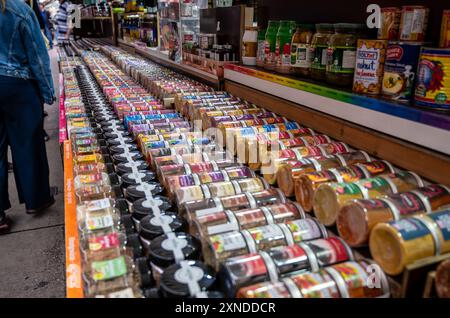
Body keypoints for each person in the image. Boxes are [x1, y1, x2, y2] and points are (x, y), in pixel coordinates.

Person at [0, 0, 56, 232]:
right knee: (28, 143)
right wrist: (47, 90)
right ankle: (36, 199)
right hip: (17, 84)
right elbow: (36, 53)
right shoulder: (18, 9)